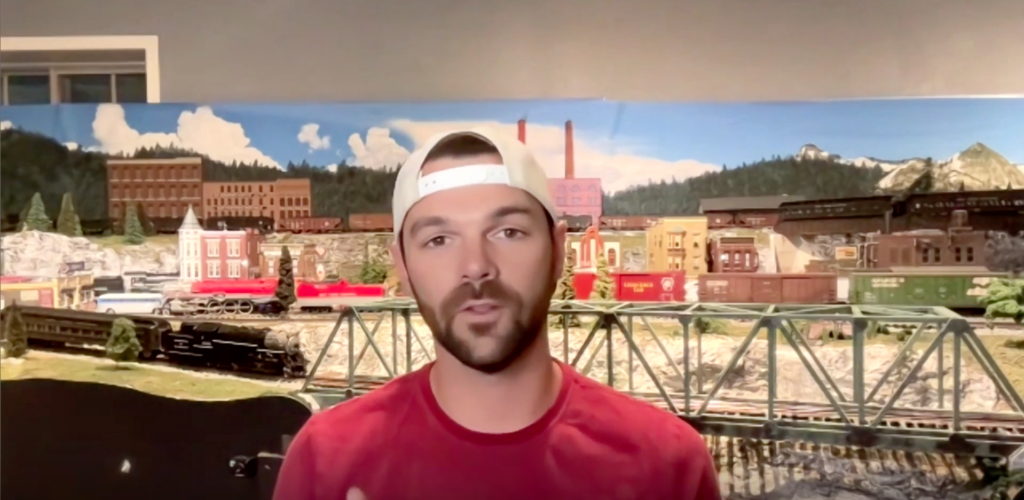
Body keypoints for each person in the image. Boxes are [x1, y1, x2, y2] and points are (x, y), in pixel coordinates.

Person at [272, 127, 721, 500]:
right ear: (403, 268)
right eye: (439, 240)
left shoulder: (667, 464)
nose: (475, 266)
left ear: (559, 250)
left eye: (508, 231)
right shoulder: (326, 459)